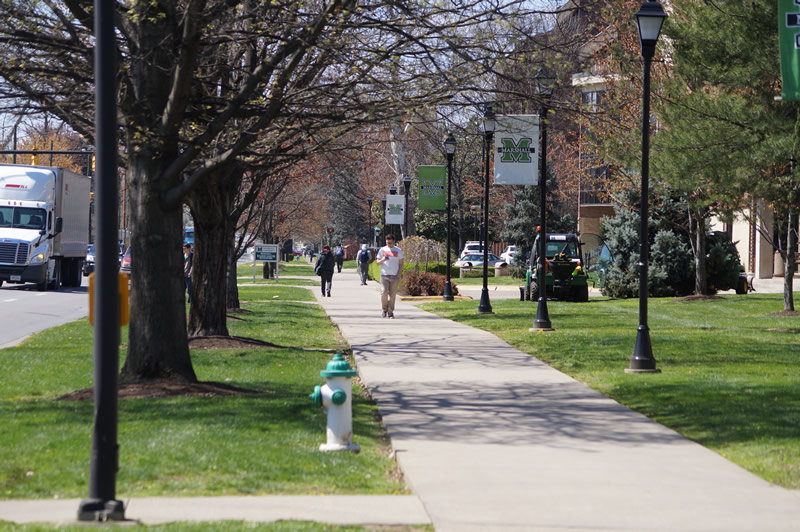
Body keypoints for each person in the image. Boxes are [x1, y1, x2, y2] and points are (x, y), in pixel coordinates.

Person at [376, 234, 404, 318]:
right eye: (387, 243)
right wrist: (383, 259)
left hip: (395, 275)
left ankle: (390, 312)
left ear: (394, 242)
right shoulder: (382, 250)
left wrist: (399, 273)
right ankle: (384, 309)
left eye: (390, 243)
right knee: (383, 293)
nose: (389, 244)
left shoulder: (398, 250)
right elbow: (377, 263)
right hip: (384, 275)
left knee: (392, 295)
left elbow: (401, 263)